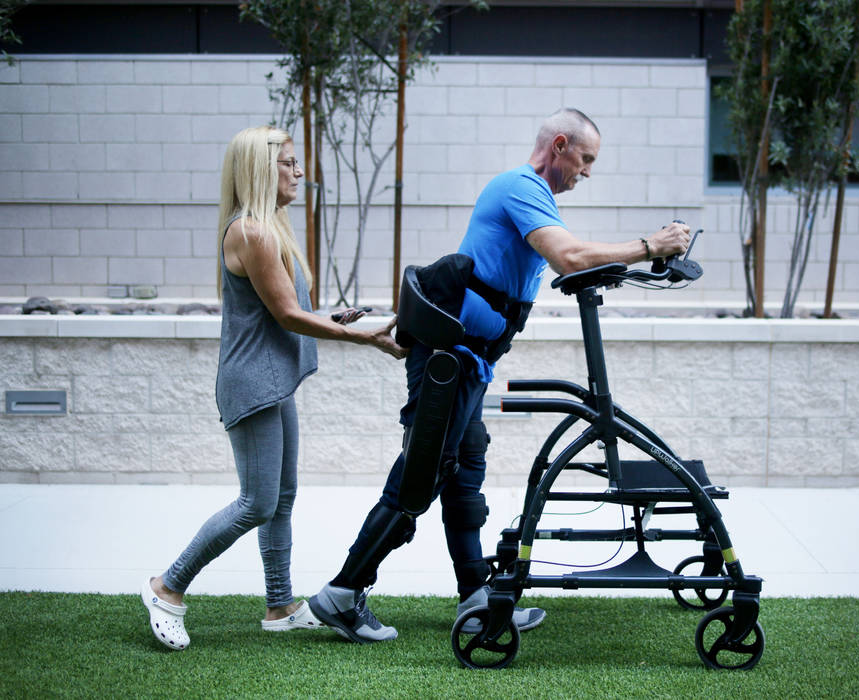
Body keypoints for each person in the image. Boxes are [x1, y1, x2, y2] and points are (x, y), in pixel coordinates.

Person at [307, 108, 691, 643]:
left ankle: (477, 596)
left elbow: (568, 260)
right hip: (450, 359)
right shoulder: (520, 186)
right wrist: (650, 246)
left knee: (465, 475)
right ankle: (343, 593)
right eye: (585, 159)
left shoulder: (535, 196)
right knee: (423, 475)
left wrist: (633, 262)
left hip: (469, 358)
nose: (587, 172)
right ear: (559, 145)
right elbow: (570, 257)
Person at [140, 125, 406, 651]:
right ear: (262, 170)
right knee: (256, 502)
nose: (298, 171)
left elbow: (286, 308)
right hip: (253, 383)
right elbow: (287, 316)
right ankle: (167, 587)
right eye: (288, 163)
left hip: (271, 378)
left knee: (281, 498)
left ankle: (280, 605)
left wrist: (333, 317)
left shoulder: (270, 228)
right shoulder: (252, 232)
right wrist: (361, 337)